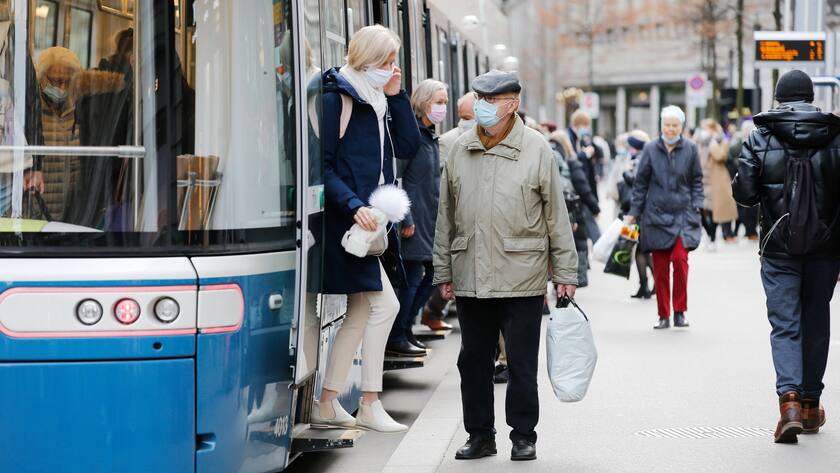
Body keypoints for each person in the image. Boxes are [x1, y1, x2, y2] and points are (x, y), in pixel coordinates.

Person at [433, 70, 578, 462]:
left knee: (520, 363)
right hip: (471, 275)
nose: (479, 104)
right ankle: (480, 435)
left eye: (488, 99)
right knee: (473, 362)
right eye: (477, 97)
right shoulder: (460, 149)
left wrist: (566, 272)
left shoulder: (536, 148)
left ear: (511, 104)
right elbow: (445, 214)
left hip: (522, 274)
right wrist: (442, 271)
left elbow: (556, 216)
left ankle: (523, 435)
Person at [314, 25, 420, 433]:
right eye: (387, 62)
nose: (392, 69)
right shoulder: (337, 97)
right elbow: (322, 168)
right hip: (347, 225)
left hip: (370, 226)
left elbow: (409, 148)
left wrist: (398, 95)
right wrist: (354, 204)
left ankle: (328, 402)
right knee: (384, 306)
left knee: (362, 310)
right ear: (367, 59)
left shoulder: (377, 99)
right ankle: (368, 403)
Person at [732, 69, 840, 444]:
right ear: (811, 96)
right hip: (826, 247)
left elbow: (744, 194)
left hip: (778, 246)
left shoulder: (760, 136)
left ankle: (789, 403)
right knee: (816, 320)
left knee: (785, 323)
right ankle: (811, 405)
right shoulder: (836, 135)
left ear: (779, 97)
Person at [385, 79, 449, 357]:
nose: (442, 108)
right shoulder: (413, 136)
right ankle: (398, 335)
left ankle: (405, 329)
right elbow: (397, 178)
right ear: (424, 103)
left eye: (445, 102)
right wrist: (405, 217)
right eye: (439, 101)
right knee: (413, 276)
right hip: (412, 221)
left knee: (432, 273)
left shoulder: (431, 137)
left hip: (429, 220)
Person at [626, 106, 703, 330]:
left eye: (675, 125)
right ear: (661, 126)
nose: (671, 129)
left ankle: (680, 311)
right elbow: (640, 184)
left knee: (680, 261)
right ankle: (663, 314)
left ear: (681, 126)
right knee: (659, 268)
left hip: (682, 215)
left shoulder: (690, 148)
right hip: (656, 215)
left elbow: (697, 180)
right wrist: (634, 212)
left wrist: (697, 205)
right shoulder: (650, 149)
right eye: (667, 125)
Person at [550, 129, 596, 288]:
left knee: (566, 246)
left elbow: (583, 186)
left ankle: (567, 280)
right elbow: (584, 187)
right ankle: (574, 278)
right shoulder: (572, 162)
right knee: (574, 244)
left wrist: (594, 206)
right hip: (573, 211)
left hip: (569, 210)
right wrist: (594, 207)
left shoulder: (568, 163)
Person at [620, 130, 655, 299]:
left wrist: (626, 173)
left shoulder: (641, 159)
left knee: (640, 250)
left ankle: (648, 286)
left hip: (638, 210)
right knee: (642, 250)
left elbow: (637, 181)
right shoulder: (644, 157)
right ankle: (650, 285)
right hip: (639, 209)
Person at [694, 119, 738, 248]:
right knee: (701, 209)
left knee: (714, 211)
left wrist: (712, 143)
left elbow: (720, 156)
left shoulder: (721, 141)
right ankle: (708, 234)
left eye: (707, 129)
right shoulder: (700, 142)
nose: (705, 132)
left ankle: (712, 238)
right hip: (702, 179)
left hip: (716, 181)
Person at [567, 109, 601, 242]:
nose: (587, 128)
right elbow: (572, 161)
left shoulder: (580, 139)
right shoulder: (569, 137)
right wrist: (584, 154)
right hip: (578, 192)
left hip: (582, 191)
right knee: (591, 231)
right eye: (585, 125)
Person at [728, 120, 759, 241]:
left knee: (752, 208)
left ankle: (750, 231)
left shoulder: (756, 142)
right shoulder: (737, 143)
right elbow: (731, 157)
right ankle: (743, 231)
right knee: (741, 207)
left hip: (752, 179)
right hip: (740, 177)